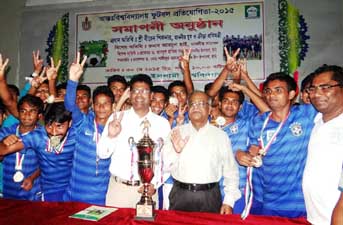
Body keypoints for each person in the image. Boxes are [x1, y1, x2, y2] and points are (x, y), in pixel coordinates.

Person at [236, 72, 317, 218]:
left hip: (295, 202)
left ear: (291, 94)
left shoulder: (306, 115)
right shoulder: (258, 121)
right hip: (264, 200)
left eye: (278, 90)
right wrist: (242, 155)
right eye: (268, 91)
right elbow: (254, 149)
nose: (271, 95)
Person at [97, 74, 170, 208]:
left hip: (148, 191)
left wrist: (155, 183)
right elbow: (102, 154)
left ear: (151, 95)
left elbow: (166, 159)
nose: (139, 95)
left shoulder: (162, 124)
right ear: (129, 94)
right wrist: (111, 136)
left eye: (144, 91)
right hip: (119, 190)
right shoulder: (117, 118)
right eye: (135, 91)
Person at [162, 91, 240, 214]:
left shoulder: (220, 136)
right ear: (188, 109)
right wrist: (177, 152)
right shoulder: (176, 133)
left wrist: (229, 201)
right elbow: (165, 167)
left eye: (201, 104)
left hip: (210, 196)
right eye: (192, 104)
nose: (196, 107)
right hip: (180, 195)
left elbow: (231, 171)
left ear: (209, 109)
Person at [0, 102, 75, 202]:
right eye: (49, 126)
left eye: (59, 126)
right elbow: (4, 150)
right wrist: (3, 142)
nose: (53, 132)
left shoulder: (77, 135)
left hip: (75, 189)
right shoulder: (37, 136)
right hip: (50, 192)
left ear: (70, 123)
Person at [63, 53, 112, 205]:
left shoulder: (117, 130)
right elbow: (70, 105)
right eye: (98, 103)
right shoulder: (83, 123)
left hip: (101, 199)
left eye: (106, 104)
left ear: (113, 106)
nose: (102, 107)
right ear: (92, 104)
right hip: (74, 196)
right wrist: (72, 80)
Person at [302, 65, 343, 225]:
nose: (317, 94)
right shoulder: (316, 121)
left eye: (325, 87)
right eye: (312, 89)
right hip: (315, 217)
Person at [0, 95, 43, 200]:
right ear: (18, 113)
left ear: (39, 116)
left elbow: (48, 163)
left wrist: (33, 177)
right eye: (23, 111)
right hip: (9, 189)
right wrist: (2, 143)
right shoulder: (6, 131)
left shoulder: (44, 135)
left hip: (33, 189)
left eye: (32, 111)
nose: (27, 115)